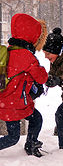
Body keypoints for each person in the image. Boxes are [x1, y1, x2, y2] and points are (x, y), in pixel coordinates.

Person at [0, 13, 48, 157]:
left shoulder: (9, 51)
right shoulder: (27, 56)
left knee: (34, 119)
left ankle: (31, 145)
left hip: (6, 100)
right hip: (16, 104)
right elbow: (41, 78)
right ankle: (31, 144)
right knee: (14, 136)